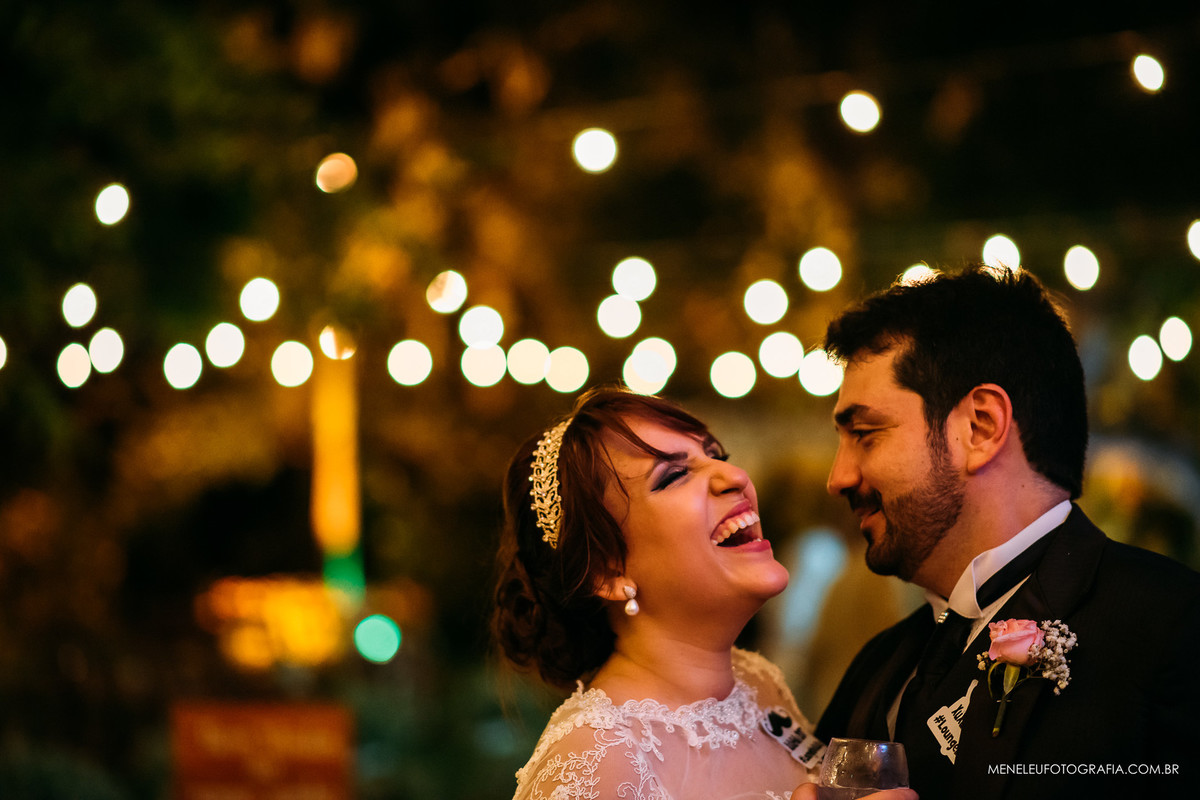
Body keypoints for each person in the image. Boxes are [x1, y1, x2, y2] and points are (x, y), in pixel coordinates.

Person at [815, 264, 1200, 800]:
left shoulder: (1174, 630)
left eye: (865, 434)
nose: (838, 479)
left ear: (980, 426)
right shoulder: (878, 667)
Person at [493, 385, 917, 800]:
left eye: (716, 455)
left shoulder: (757, 683)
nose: (735, 476)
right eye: (674, 476)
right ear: (606, 571)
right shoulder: (598, 759)